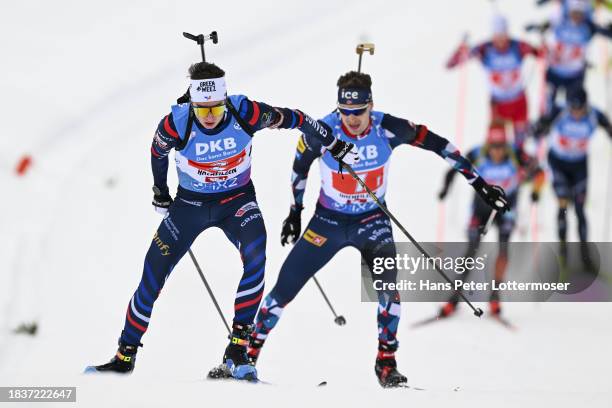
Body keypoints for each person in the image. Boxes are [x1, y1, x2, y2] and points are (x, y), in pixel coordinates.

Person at [86, 61, 359, 380]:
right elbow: (157, 153)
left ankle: (238, 347)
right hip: (189, 206)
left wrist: (334, 142)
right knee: (153, 273)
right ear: (193, 104)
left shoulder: (245, 112)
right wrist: (161, 192)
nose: (211, 117)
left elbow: (297, 118)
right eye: (203, 111)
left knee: (257, 257)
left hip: (237, 203)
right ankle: (124, 355)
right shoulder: (177, 122)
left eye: (216, 108)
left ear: (225, 100)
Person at [245, 71, 509, 388]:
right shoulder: (323, 129)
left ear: (371, 105)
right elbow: (300, 167)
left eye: (358, 112)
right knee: (284, 288)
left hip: (373, 222)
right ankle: (247, 356)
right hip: (327, 223)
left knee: (389, 291)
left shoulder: (388, 128)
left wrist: (481, 185)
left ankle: (386, 362)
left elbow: (442, 146)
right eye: (345, 112)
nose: (352, 120)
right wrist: (295, 211)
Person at [438, 120, 545, 317]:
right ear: (488, 144)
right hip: (480, 210)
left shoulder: (516, 153)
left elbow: (540, 173)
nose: (497, 152)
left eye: (501, 147)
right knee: (471, 252)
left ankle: (495, 296)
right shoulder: (477, 153)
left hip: (506, 211)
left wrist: (535, 192)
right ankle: (454, 298)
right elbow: (453, 168)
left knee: (503, 249)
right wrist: (445, 188)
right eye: (494, 147)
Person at [532, 87, 612, 267]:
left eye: (580, 109)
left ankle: (585, 255)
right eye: (573, 109)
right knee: (563, 205)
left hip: (579, 166)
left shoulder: (594, 114)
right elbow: (538, 127)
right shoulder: (559, 111)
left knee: (580, 210)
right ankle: (563, 252)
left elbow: (608, 126)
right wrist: (540, 129)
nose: (576, 113)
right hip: (558, 164)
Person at [447, 15, 541, 148]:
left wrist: (542, 43)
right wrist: (461, 48)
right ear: (493, 35)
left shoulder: (518, 46)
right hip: (498, 105)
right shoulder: (484, 49)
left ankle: (518, 166)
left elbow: (540, 53)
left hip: (519, 102)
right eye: (498, 36)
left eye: (504, 36)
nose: (501, 41)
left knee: (520, 146)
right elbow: (451, 64)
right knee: (497, 145)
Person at [527, 0, 612, 112]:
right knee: (548, 107)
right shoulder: (559, 21)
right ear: (569, 11)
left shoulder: (588, 27)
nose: (576, 17)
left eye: (579, 13)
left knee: (573, 106)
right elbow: (544, 25)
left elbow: (604, 32)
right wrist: (536, 28)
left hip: (575, 74)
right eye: (574, 13)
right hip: (555, 71)